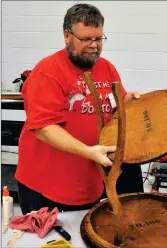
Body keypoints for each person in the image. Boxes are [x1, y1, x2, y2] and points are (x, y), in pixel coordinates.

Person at [15, 3, 144, 215]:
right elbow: (45, 128)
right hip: (46, 188)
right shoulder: (47, 72)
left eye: (99, 38)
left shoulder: (107, 68)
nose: (94, 45)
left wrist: (128, 101)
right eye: (86, 39)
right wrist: (88, 152)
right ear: (67, 35)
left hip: (88, 182)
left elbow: (113, 107)